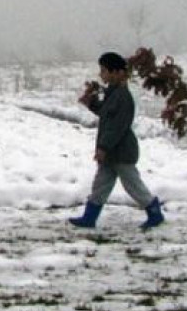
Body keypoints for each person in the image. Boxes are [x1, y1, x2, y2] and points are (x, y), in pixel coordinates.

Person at [68, 52, 164, 230]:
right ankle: (89, 218)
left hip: (121, 152)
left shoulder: (123, 97)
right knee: (100, 185)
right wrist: (91, 103)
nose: (101, 75)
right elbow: (106, 113)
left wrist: (103, 147)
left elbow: (117, 126)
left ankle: (154, 211)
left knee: (132, 185)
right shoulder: (112, 94)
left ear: (118, 73)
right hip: (110, 153)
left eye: (104, 71)